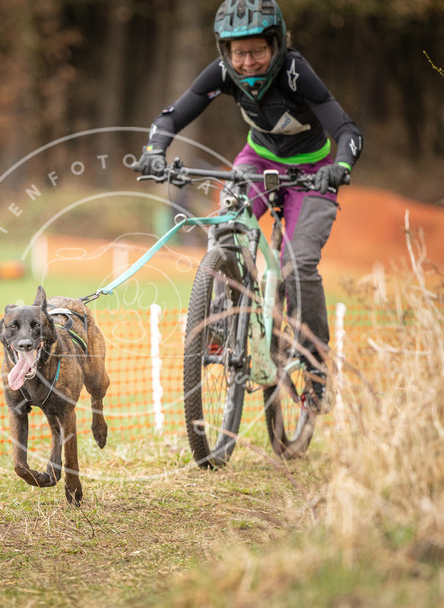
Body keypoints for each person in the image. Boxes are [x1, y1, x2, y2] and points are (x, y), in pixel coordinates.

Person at [137, 0, 363, 410]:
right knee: (224, 227)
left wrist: (341, 167)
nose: (247, 62)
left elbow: (347, 129)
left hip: (313, 171)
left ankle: (316, 368)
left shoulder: (295, 72)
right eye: (238, 53)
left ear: (276, 44)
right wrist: (155, 151)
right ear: (226, 52)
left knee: (298, 264)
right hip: (256, 161)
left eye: (257, 50)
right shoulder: (223, 73)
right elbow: (170, 117)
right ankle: (221, 323)